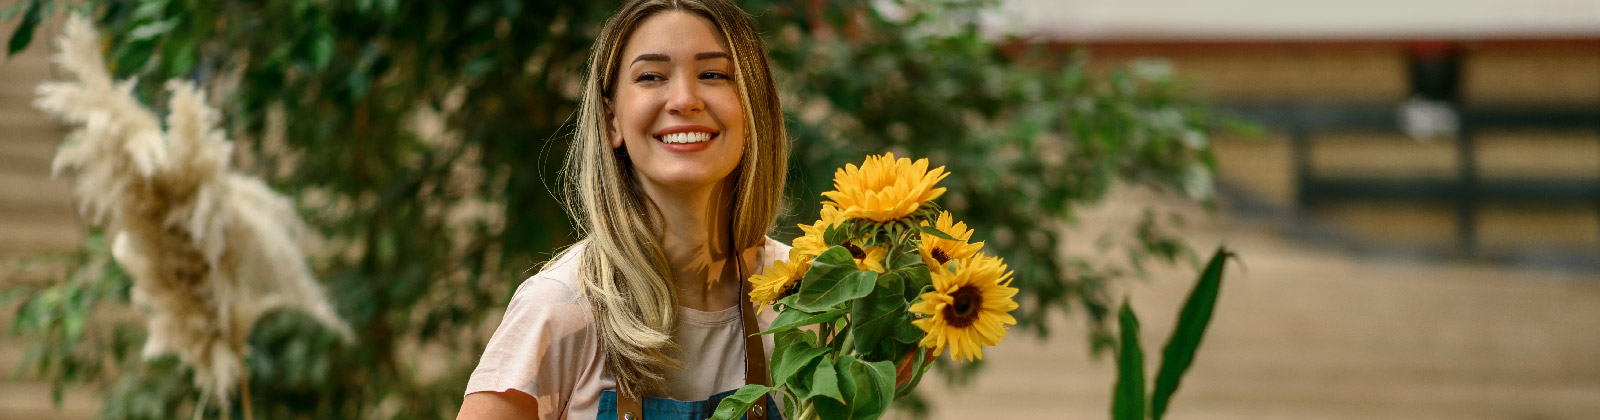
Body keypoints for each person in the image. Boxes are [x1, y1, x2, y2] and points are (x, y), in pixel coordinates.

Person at [455, 0, 790, 419]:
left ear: (753, 106)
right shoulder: (562, 307)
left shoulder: (805, 295)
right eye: (651, 76)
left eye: (712, 74)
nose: (684, 99)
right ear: (612, 120)